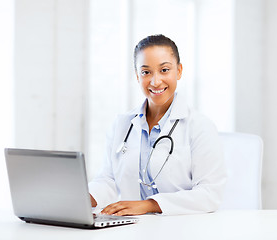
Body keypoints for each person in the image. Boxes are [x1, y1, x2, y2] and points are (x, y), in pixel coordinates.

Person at [88, 34, 226, 216]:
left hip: (183, 228)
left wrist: (149, 205)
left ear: (179, 71)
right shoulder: (122, 124)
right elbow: (108, 179)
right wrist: (82, 197)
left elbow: (210, 194)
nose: (155, 81)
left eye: (164, 70)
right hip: (133, 227)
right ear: (137, 76)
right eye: (146, 72)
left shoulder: (200, 126)